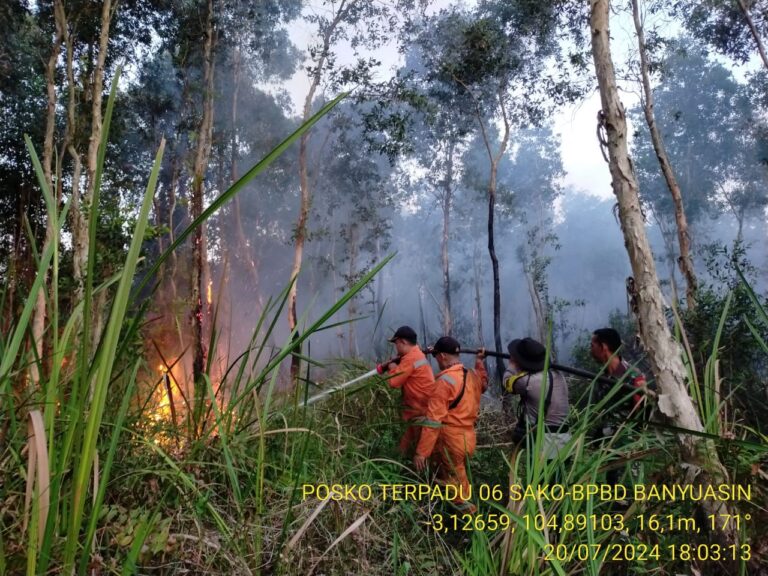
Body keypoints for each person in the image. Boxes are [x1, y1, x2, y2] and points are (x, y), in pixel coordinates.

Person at [412, 336, 487, 512]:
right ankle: (457, 511)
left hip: (451, 442)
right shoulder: (472, 375)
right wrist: (479, 362)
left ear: (443, 356)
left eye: (437, 356)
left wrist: (422, 453)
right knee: (456, 476)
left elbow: (433, 421)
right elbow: (483, 384)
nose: (437, 361)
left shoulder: (444, 382)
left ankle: (469, 521)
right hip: (469, 438)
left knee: (456, 490)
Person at [589, 327, 649, 486]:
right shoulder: (603, 376)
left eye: (592, 345)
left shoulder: (632, 375)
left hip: (628, 446)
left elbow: (642, 411)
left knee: (628, 489)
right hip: (610, 447)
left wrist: (628, 437)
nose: (590, 350)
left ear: (604, 347)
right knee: (613, 487)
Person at [503, 338, 570, 457]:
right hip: (565, 444)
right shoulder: (559, 375)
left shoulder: (528, 381)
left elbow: (507, 381)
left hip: (545, 448)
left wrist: (512, 365)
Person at [379, 326, 435, 455]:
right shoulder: (416, 354)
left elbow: (393, 382)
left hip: (419, 413)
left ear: (403, 342)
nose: (396, 347)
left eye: (396, 343)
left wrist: (392, 367)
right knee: (404, 449)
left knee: (419, 452)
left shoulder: (411, 358)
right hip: (417, 411)